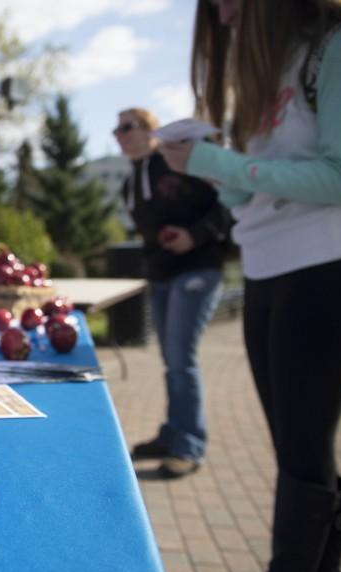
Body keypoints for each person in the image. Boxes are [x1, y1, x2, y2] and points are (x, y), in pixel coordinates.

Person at [161, 0, 341, 572]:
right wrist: (207, 166)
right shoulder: (268, 68)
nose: (223, 18)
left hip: (329, 266)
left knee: (302, 447)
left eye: (228, 2)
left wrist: (221, 165)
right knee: (296, 444)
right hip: (267, 266)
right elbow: (254, 192)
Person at [116, 107, 230, 479]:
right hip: (163, 276)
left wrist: (193, 236)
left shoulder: (177, 163)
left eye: (128, 126)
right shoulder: (129, 183)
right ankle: (172, 434)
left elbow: (228, 203)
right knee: (172, 360)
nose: (120, 134)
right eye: (116, 129)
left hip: (198, 269)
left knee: (182, 360)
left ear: (153, 131)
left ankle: (190, 445)